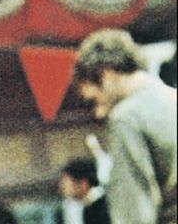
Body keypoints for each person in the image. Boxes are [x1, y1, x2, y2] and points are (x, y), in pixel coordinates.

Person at [75, 28, 177, 224]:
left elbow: (134, 213)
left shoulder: (126, 117)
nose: (99, 113)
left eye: (95, 100)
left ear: (105, 74)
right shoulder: (173, 97)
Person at [56, 157, 110, 224]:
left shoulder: (101, 208)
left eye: (65, 183)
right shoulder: (80, 207)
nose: (62, 187)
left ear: (84, 184)